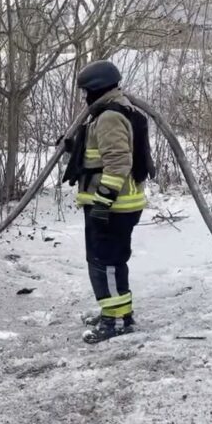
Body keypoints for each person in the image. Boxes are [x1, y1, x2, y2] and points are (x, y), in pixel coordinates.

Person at [63, 60, 148, 343]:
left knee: (107, 263)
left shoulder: (110, 115)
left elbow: (118, 162)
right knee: (107, 262)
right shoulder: (110, 112)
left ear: (96, 89)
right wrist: (76, 147)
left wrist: (103, 201)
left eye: (86, 90)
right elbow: (102, 153)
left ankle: (115, 322)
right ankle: (116, 312)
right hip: (114, 206)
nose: (84, 96)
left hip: (113, 206)